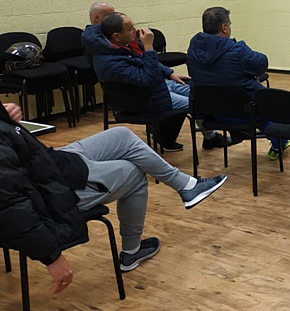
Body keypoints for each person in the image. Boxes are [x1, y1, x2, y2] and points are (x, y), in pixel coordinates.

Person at [0, 101, 227, 293]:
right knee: (135, 173)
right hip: (53, 192)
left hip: (50, 163)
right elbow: (10, 206)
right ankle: (132, 252)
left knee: (121, 135)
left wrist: (5, 113)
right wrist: (51, 256)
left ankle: (187, 186)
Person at [85, 12, 224, 151]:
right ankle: (210, 138)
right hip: (147, 98)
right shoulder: (109, 62)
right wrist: (149, 48)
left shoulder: (118, 46)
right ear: (116, 36)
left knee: (200, 92)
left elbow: (147, 62)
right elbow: (148, 78)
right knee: (198, 102)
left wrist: (170, 73)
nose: (135, 31)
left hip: (158, 86)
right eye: (130, 29)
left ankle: (170, 135)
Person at [186, 6, 288, 158]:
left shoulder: (193, 48)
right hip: (244, 112)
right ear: (224, 27)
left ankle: (239, 133)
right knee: (268, 105)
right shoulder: (238, 50)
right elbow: (262, 63)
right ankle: (278, 142)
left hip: (210, 113)